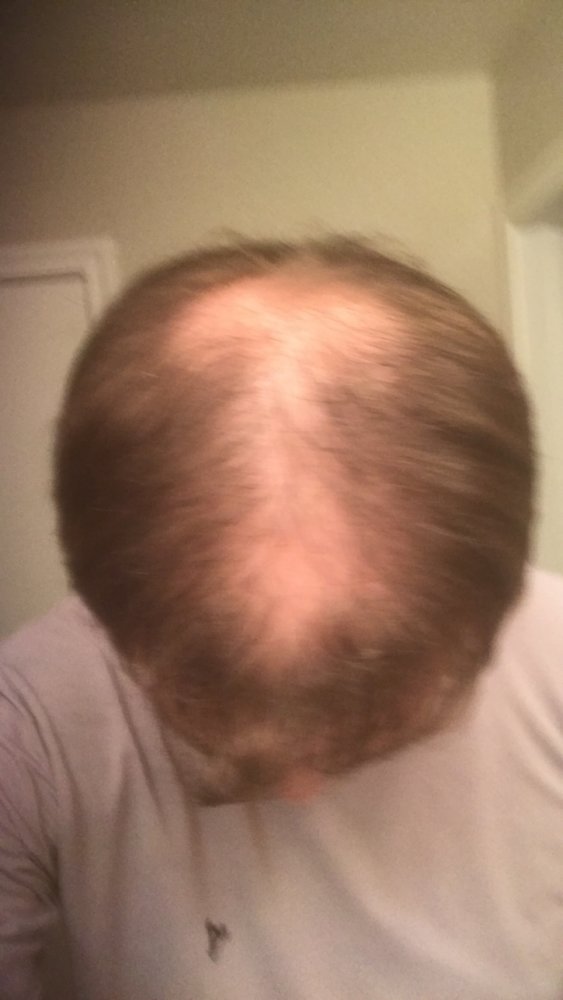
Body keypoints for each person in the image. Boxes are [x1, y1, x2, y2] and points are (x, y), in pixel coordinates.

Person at [0, 236, 561, 1000]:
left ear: (484, 619)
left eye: (379, 721)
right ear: (112, 620)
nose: (297, 789)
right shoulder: (27, 725)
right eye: (200, 712)